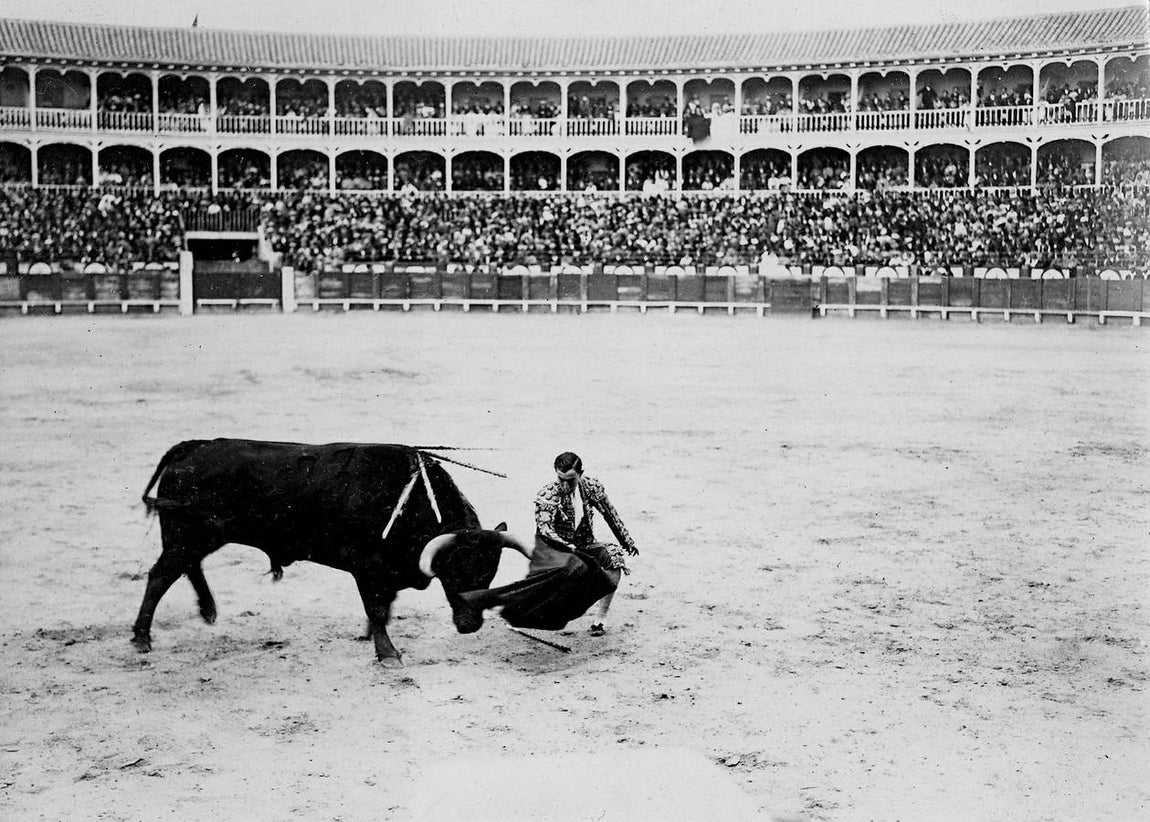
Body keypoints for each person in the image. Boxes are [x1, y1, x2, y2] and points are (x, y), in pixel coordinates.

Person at [459, 451, 639, 636]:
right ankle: (494, 603)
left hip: (584, 544)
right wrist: (568, 548)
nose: (564, 484)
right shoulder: (548, 495)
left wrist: (626, 540)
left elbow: (609, 513)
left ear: (581, 474)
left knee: (614, 557)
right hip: (553, 550)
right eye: (560, 479)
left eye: (570, 480)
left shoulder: (592, 487)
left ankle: (600, 618)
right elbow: (546, 530)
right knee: (566, 573)